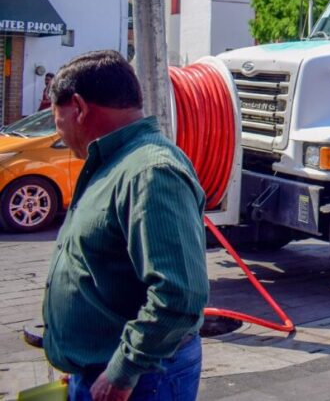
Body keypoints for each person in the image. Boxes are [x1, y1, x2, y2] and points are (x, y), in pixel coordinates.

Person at [43, 50, 208, 400]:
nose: (60, 135)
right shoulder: (114, 163)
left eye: (58, 122)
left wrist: (123, 371)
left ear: (79, 108)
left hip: (137, 381)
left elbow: (179, 294)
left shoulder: (151, 172)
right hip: (103, 372)